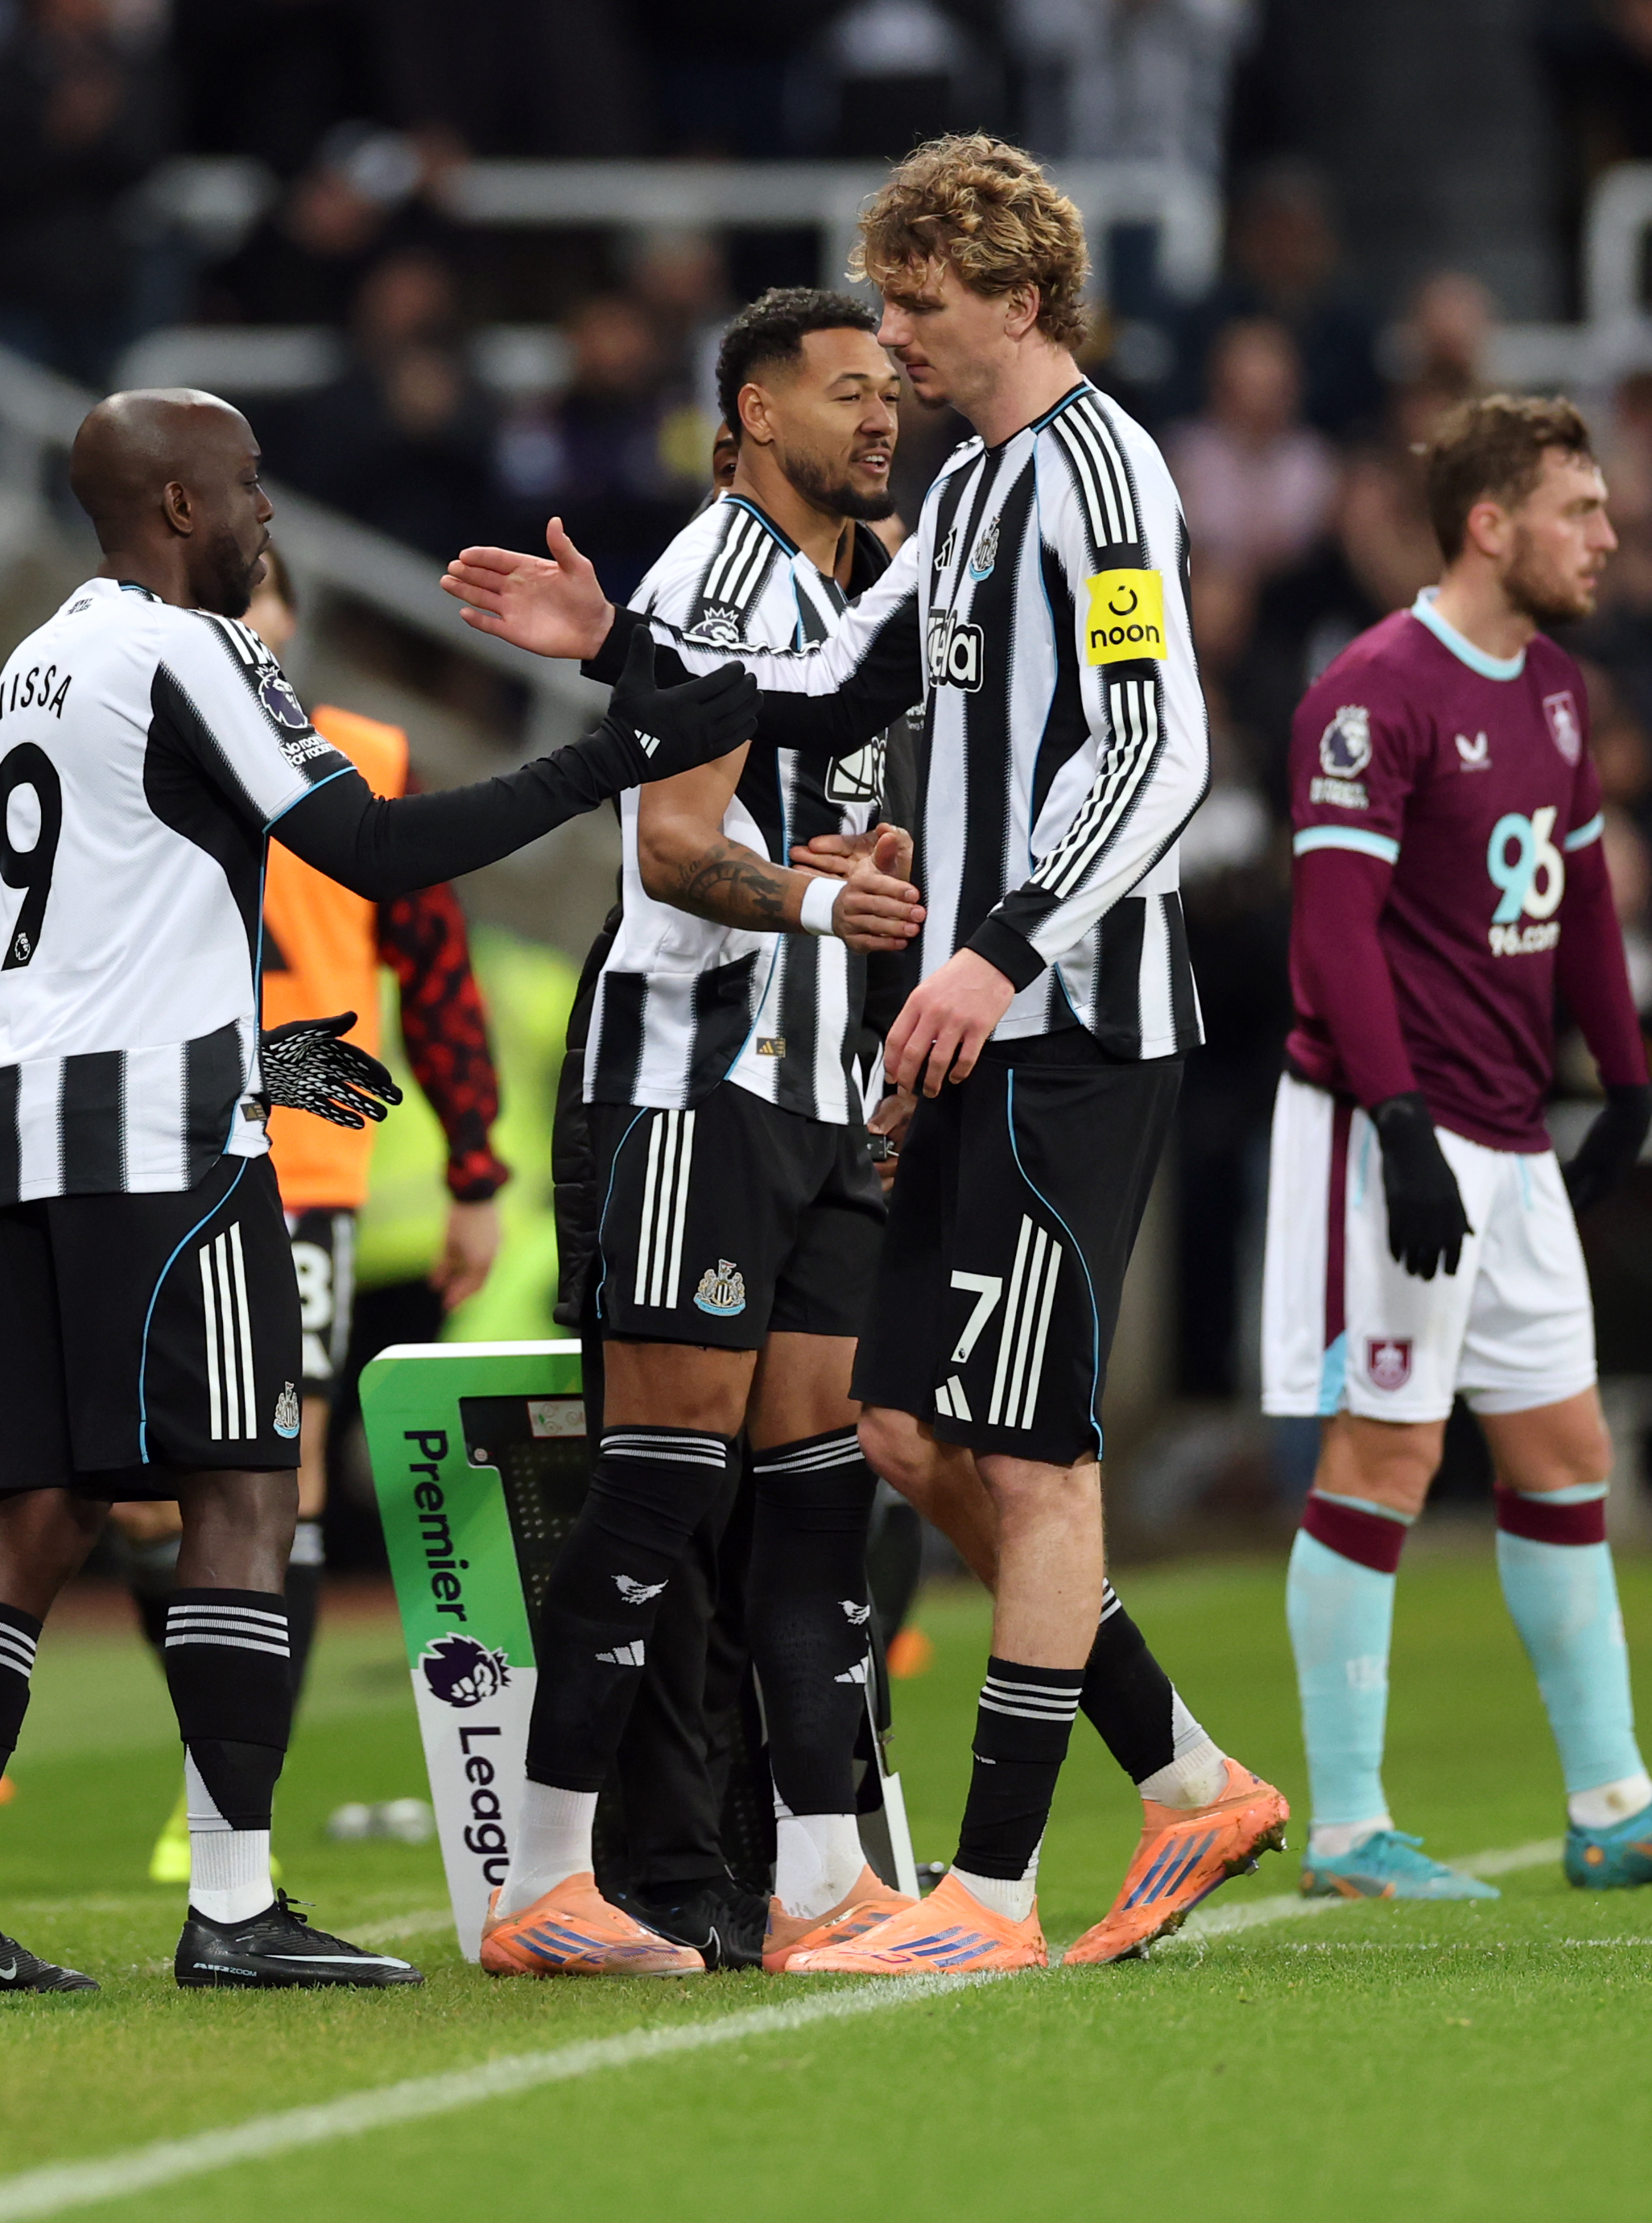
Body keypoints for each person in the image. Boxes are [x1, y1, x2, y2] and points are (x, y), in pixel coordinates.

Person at [446, 134, 1288, 1977]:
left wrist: (991, 950)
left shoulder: (1100, 476)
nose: (894, 339)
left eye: (912, 303)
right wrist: (624, 644)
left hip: (1070, 1023)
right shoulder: (977, 497)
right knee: (903, 1432)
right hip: (968, 1030)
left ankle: (986, 1894)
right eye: (879, 308)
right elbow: (825, 688)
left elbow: (1158, 755)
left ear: (1014, 297)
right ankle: (1185, 1771)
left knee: (1035, 1453)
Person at [0, 385, 756, 1997]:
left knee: (38, 1504)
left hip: (30, 1128)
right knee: (242, 1487)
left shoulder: (29, 669)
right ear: (183, 508)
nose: (270, 512)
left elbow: (21, 919)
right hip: (164, 1149)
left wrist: (228, 1038)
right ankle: (232, 1901)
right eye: (250, 485)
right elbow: (378, 851)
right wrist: (616, 754)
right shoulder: (190, 650)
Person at [1260, 393, 1652, 1902]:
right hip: (1393, 1131)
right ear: (1490, 522)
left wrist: (1621, 1078)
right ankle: (1351, 1829)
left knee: (1564, 1450)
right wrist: (1399, 1121)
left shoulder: (1554, 688)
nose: (1609, 537)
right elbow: (1336, 931)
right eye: (1580, 510)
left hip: (1506, 1131)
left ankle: (1612, 1800)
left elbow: (1579, 897)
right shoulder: (1370, 692)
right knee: (1385, 1451)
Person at [480, 287, 928, 1980]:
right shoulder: (721, 574)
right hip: (690, 1078)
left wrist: (859, 874)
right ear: (747, 414)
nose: (879, 417)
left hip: (814, 1088)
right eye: (843, 391)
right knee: (658, 1490)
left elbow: (803, 820)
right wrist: (831, 916)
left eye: (890, 391)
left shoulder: (846, 585)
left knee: (816, 1500)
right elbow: (671, 846)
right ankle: (544, 1885)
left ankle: (821, 1881)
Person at [120, 537, 510, 1886]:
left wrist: (476, 1166)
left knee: (270, 1480)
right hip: (146, 1154)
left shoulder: (366, 761)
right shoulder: (123, 742)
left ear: (289, 629)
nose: (244, 636)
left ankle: (232, 1797)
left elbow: (438, 969)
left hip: (301, 1169)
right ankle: (207, 1746)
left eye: (259, 616)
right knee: (135, 1499)